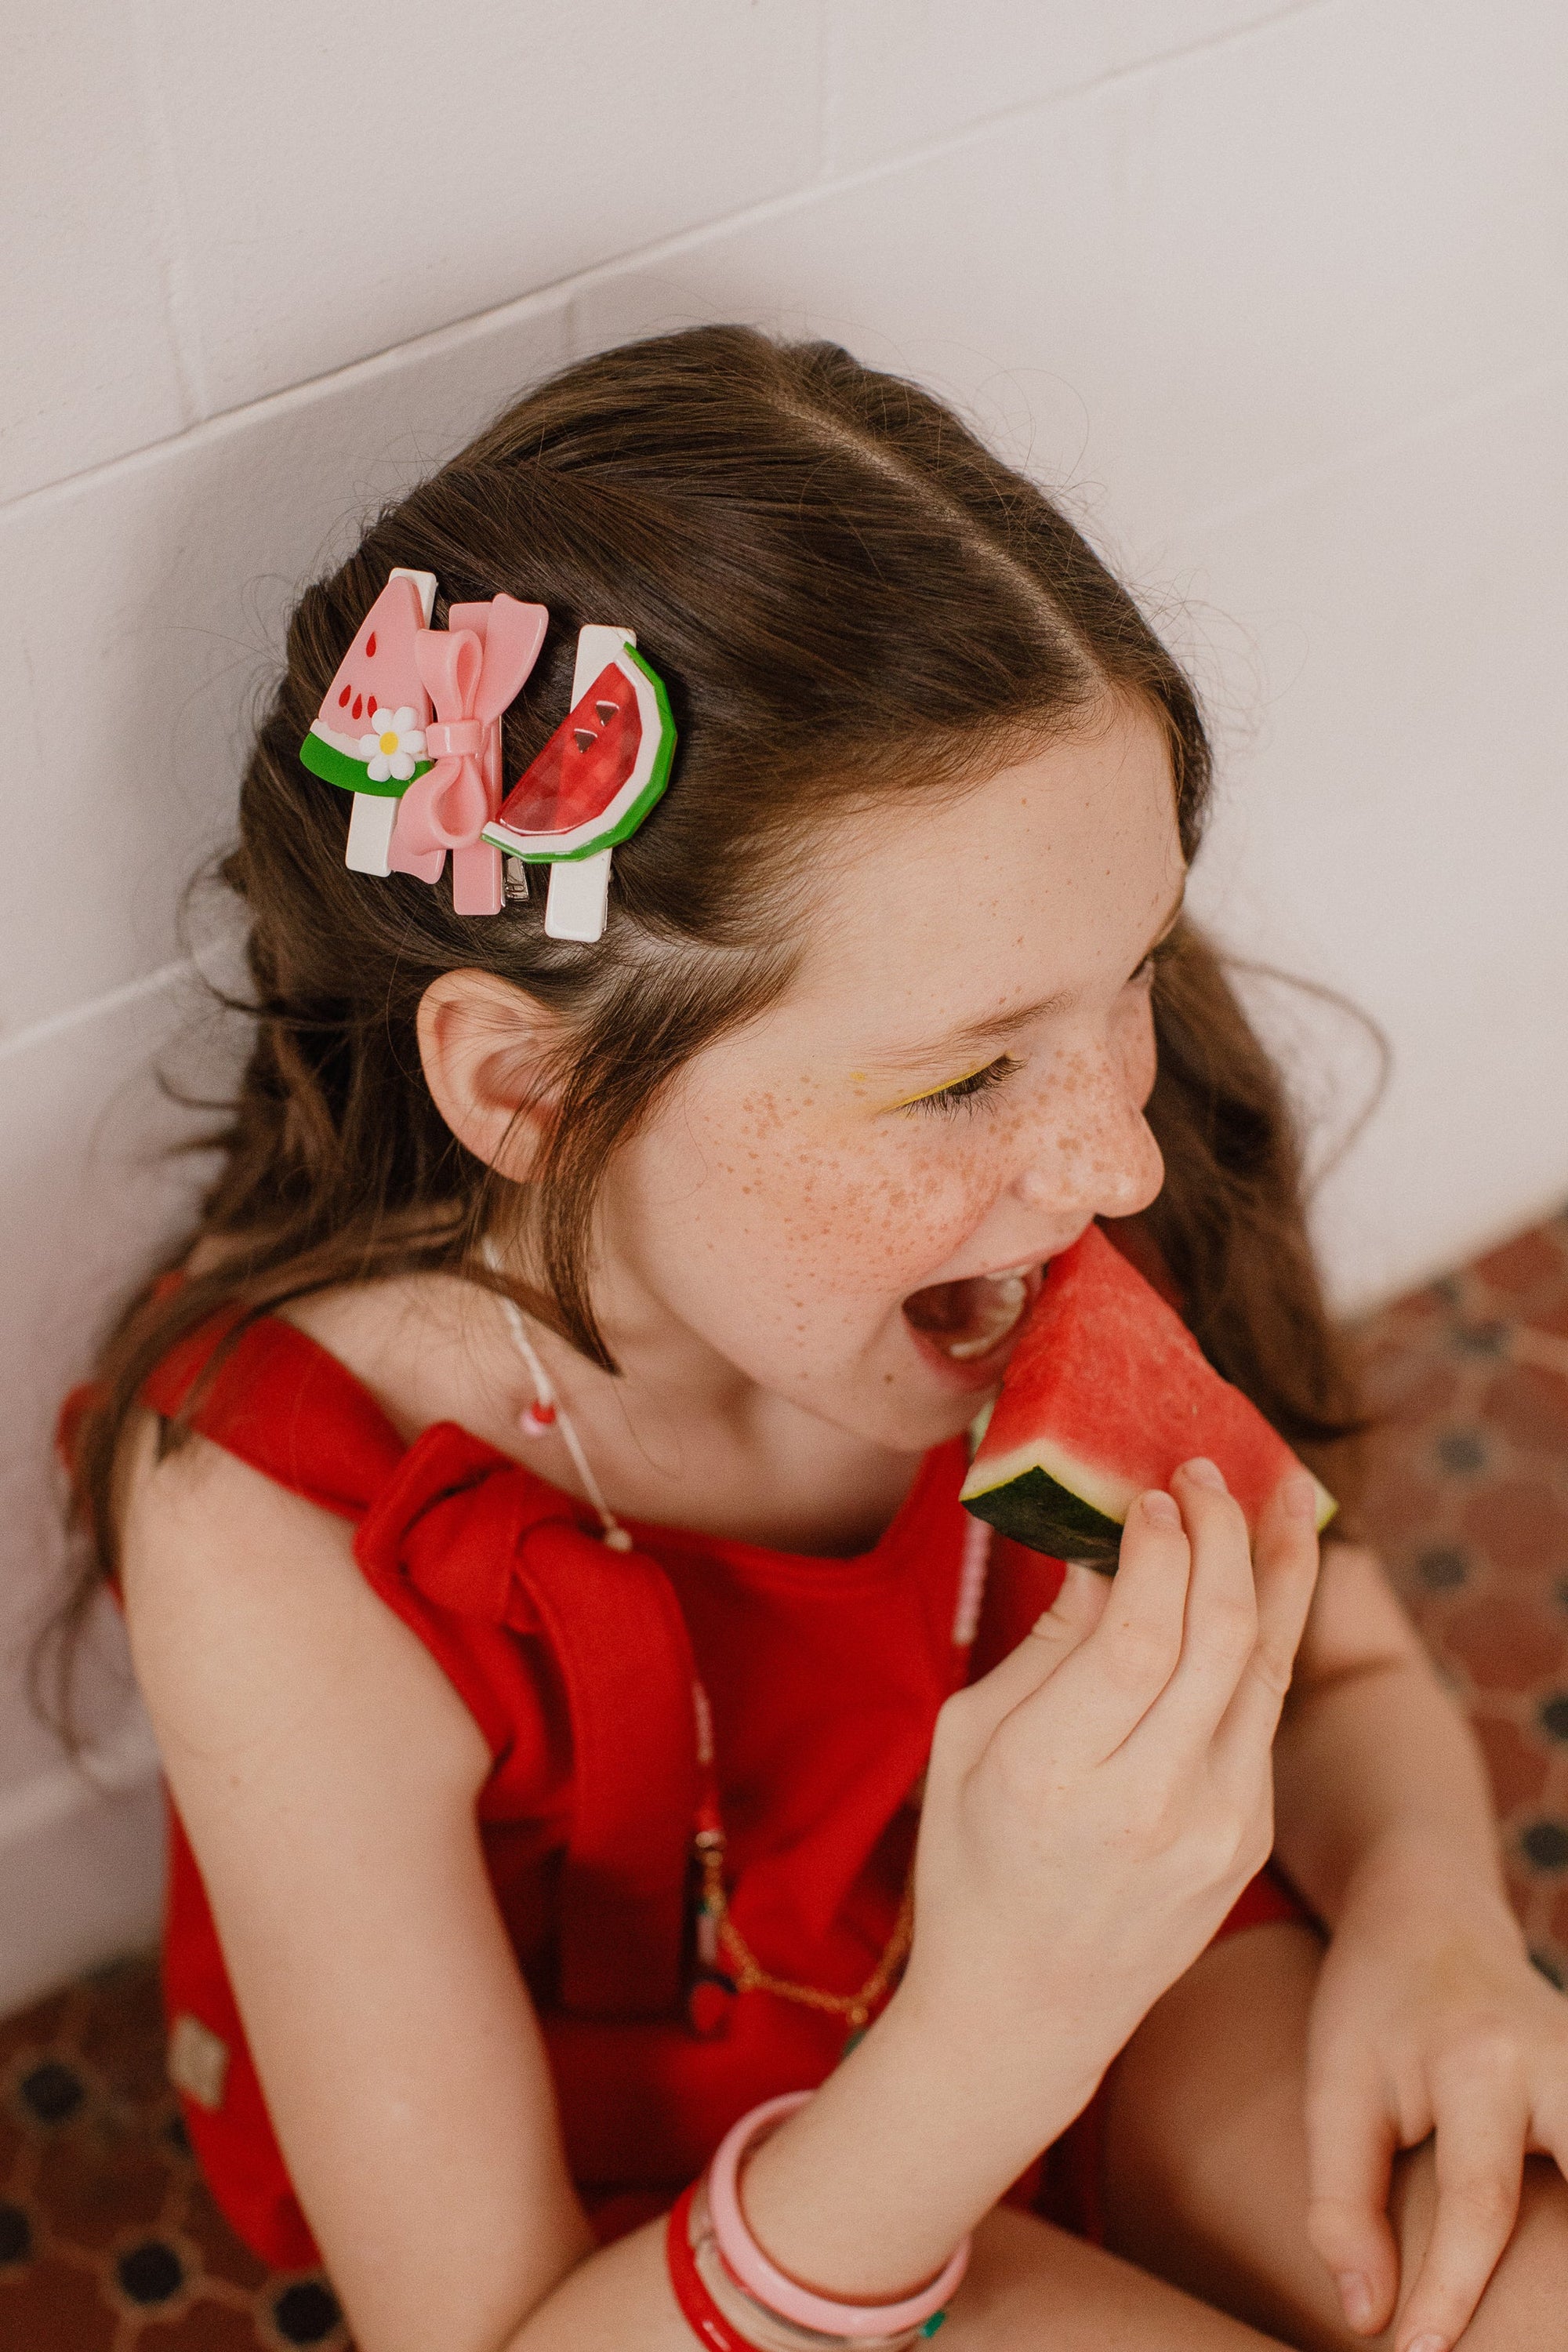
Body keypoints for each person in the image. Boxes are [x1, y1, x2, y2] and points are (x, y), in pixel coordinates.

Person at [60, 327, 1568, 2352]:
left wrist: (1436, 1915)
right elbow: (495, 2335)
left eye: (1126, 973)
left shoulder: (1019, 1215)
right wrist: (987, 2033)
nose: (1114, 1162)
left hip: (1124, 1975)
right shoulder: (276, 1528)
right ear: (530, 1094)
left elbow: (1340, 1657)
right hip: (706, 2235)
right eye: (962, 1080)